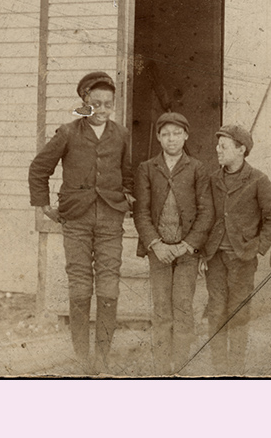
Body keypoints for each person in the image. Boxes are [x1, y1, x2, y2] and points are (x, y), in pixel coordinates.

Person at [29, 71, 133, 372]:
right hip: (75, 218)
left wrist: (127, 198)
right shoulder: (68, 132)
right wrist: (44, 205)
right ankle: (82, 356)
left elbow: (127, 174)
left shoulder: (122, 134)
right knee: (79, 283)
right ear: (85, 102)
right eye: (96, 103)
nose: (101, 110)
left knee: (109, 283)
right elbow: (39, 169)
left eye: (108, 105)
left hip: (110, 219)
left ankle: (102, 355)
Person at [133, 112, 213, 375]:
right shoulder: (147, 168)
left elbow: (206, 212)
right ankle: (161, 366)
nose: (171, 139)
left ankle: (180, 364)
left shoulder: (197, 168)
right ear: (158, 137)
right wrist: (156, 244)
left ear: (186, 135)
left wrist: (188, 244)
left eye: (177, 133)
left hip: (186, 252)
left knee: (182, 306)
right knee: (161, 308)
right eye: (165, 134)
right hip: (160, 251)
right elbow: (141, 212)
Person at [200, 124, 271, 374]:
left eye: (223, 146)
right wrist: (203, 252)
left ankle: (235, 368)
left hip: (243, 258)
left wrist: (258, 247)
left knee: (238, 312)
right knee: (216, 310)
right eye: (218, 145)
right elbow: (205, 216)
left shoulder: (258, 180)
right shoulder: (213, 179)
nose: (217, 150)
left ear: (241, 149)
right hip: (215, 257)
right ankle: (219, 368)